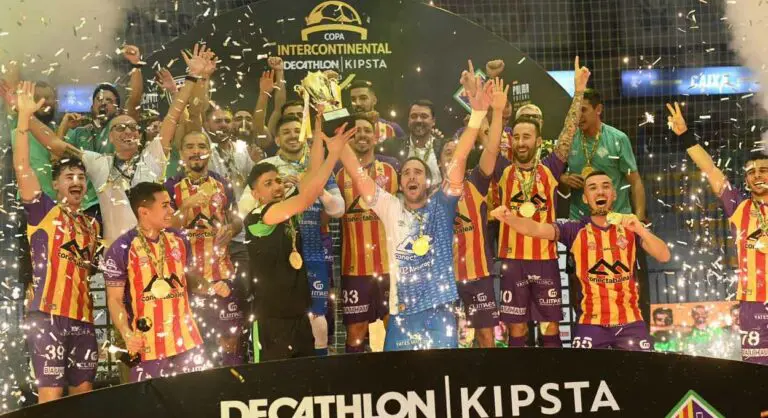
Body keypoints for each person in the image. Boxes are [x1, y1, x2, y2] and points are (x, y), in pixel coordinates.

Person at [338, 77, 492, 351]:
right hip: (402, 313)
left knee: (442, 375)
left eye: (418, 172)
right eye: (406, 172)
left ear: (427, 180)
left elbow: (459, 158)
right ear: (400, 181)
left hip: (439, 310)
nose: (412, 176)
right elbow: (359, 177)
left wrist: (478, 115)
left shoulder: (442, 205)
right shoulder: (390, 207)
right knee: (398, 375)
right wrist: (338, 146)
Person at [26, 44, 209, 245]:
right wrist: (24, 114)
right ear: (110, 137)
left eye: (132, 127)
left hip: (155, 254)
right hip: (116, 257)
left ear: (139, 135)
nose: (128, 131)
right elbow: (54, 144)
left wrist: (192, 77)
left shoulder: (152, 157)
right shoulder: (100, 164)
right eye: (120, 128)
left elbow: (173, 115)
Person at [492, 171, 670, 351]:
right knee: (581, 369)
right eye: (593, 188)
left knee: (643, 369)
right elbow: (535, 229)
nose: (600, 191)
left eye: (606, 186)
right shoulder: (574, 230)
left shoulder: (629, 228)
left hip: (631, 322)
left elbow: (664, 256)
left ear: (614, 195)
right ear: (585, 198)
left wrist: (640, 229)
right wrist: (508, 217)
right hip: (590, 324)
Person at [493, 57, 590, 348]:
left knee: (550, 327)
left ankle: (551, 374)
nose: (521, 142)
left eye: (527, 137)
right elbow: (489, 137)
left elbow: (569, 131)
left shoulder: (550, 168)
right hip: (512, 261)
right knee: (516, 329)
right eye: (517, 137)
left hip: (545, 260)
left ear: (538, 141)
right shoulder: (502, 170)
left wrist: (578, 93)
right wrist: (493, 108)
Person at [14, 82, 100, 403]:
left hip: (84, 320)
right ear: (55, 184)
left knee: (83, 396)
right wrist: (23, 119)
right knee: (51, 397)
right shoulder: (44, 210)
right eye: (69, 177)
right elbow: (22, 167)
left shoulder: (92, 225)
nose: (76, 181)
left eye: (81, 177)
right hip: (47, 316)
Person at [244, 122, 356, 361]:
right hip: (271, 321)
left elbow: (313, 174)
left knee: (305, 375)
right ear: (255, 194)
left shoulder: (287, 208)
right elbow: (306, 198)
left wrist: (318, 131)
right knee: (273, 380)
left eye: (277, 181)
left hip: (299, 316)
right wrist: (333, 155)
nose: (277, 187)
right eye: (268, 184)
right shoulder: (258, 217)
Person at [667, 101, 768, 364]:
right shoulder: (738, 206)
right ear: (746, 179)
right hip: (752, 304)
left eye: (763, 170)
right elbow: (710, 169)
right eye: (751, 172)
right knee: (758, 372)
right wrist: (685, 135)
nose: (757, 175)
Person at [104, 182, 229, 382]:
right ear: (144, 212)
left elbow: (188, 278)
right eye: (165, 206)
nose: (171, 210)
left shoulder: (179, 239)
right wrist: (127, 334)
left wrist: (211, 288)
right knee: (150, 400)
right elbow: (114, 299)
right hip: (147, 346)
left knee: (192, 397)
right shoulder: (122, 248)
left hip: (186, 341)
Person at [437, 77, 508, 348]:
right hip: (444, 279)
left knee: (486, 337)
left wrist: (497, 112)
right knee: (448, 340)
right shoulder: (430, 194)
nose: (453, 157)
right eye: (448, 153)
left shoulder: (475, 183)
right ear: (440, 161)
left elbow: (492, 149)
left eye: (457, 152)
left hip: (478, 275)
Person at [164, 131, 245, 366]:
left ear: (209, 152)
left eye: (201, 146)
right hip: (184, 280)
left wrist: (231, 228)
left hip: (221, 274)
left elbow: (237, 218)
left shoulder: (222, 183)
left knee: (229, 341)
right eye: (190, 146)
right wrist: (185, 206)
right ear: (181, 153)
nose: (196, 151)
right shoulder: (169, 187)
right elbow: (165, 228)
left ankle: (231, 384)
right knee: (191, 346)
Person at [334, 112, 400, 353]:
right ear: (349, 137)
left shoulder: (392, 170)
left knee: (393, 329)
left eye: (367, 130)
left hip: (389, 267)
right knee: (355, 334)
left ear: (376, 136)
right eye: (356, 131)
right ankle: (356, 377)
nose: (362, 135)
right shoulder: (338, 174)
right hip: (354, 269)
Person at [62, 45, 146, 214]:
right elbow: (56, 155)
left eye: (109, 100)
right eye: (99, 99)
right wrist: (64, 126)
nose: (103, 103)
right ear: (92, 106)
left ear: (117, 108)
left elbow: (134, 99)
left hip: (117, 204)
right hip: (85, 206)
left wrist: (136, 65)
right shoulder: (78, 132)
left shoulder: (119, 129)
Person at [559, 89, 646, 222]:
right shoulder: (568, 139)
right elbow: (553, 175)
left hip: (616, 219)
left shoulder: (618, 139)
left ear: (598, 109)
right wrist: (564, 179)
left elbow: (635, 182)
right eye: (575, 111)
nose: (578, 116)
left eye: (583, 110)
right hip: (580, 221)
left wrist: (639, 222)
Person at [378, 99, 443, 187]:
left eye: (424, 116)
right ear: (408, 120)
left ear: (433, 121)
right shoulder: (392, 146)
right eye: (414, 116)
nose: (418, 120)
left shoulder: (443, 148)